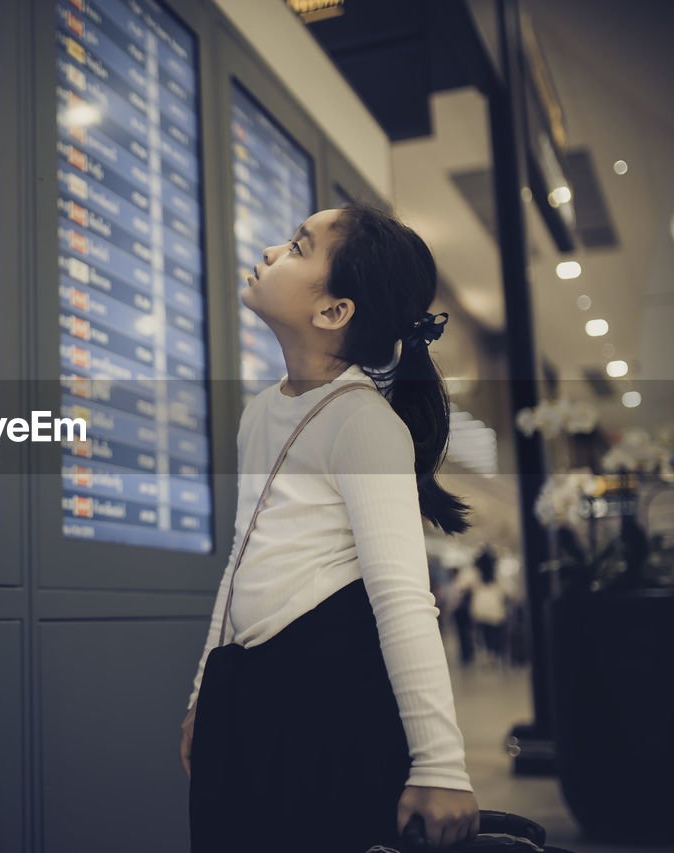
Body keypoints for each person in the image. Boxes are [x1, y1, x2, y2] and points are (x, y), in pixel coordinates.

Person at [179, 202, 480, 851]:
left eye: (297, 246)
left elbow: (402, 596)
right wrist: (207, 691)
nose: (270, 252)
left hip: (324, 699)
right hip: (246, 691)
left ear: (334, 311)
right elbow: (243, 554)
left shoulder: (365, 424)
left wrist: (440, 765)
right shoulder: (262, 411)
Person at [470, 548, 511, 668]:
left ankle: (489, 656)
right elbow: (508, 591)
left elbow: (465, 587)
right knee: (494, 635)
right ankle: (494, 655)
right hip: (495, 609)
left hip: (480, 608)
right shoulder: (497, 575)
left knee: (485, 635)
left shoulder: (476, 574)